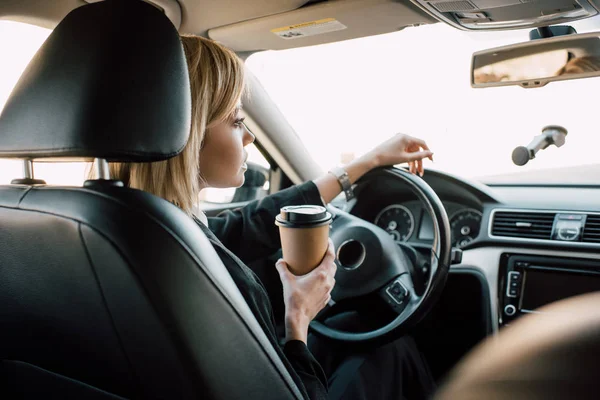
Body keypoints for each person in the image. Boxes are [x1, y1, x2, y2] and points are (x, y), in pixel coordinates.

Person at [108, 35, 436, 400]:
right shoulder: (187, 258)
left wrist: (366, 162)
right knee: (392, 349)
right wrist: (298, 315)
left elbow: (250, 223)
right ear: (187, 132)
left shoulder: (137, 226)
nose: (249, 136)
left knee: (351, 328)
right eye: (236, 122)